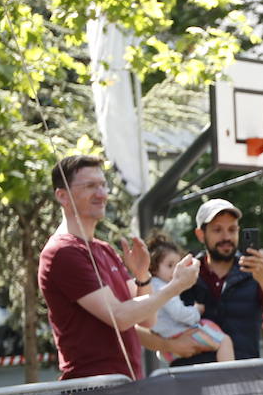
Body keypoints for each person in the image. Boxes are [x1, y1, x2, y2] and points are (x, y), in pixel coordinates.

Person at [38, 154, 202, 380]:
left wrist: (143, 276)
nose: (102, 194)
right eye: (90, 186)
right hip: (94, 390)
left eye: (104, 185)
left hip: (124, 385)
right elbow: (120, 318)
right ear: (62, 196)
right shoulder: (63, 252)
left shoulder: (103, 248)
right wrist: (175, 286)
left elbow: (147, 319)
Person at [171, 199, 263, 366]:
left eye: (232, 229)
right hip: (193, 381)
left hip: (243, 380)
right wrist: (170, 345)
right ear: (200, 234)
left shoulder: (256, 271)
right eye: (217, 230)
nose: (226, 237)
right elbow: (154, 323)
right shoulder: (185, 271)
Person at [146, 237, 234, 362]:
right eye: (170, 265)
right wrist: (196, 311)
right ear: (154, 267)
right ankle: (230, 378)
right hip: (179, 335)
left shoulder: (149, 285)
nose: (175, 271)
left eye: (177, 265)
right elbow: (179, 313)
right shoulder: (165, 288)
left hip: (166, 344)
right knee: (224, 340)